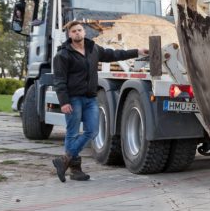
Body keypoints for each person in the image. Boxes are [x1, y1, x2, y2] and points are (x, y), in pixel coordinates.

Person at [51, 21, 148, 182]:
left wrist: (137, 51)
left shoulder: (93, 49)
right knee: (72, 133)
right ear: (69, 35)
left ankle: (64, 160)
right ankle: (75, 170)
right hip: (73, 99)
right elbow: (59, 80)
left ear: (84, 32)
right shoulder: (63, 55)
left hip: (90, 98)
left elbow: (114, 55)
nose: (77, 33)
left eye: (80, 30)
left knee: (93, 130)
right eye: (74, 31)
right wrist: (64, 102)